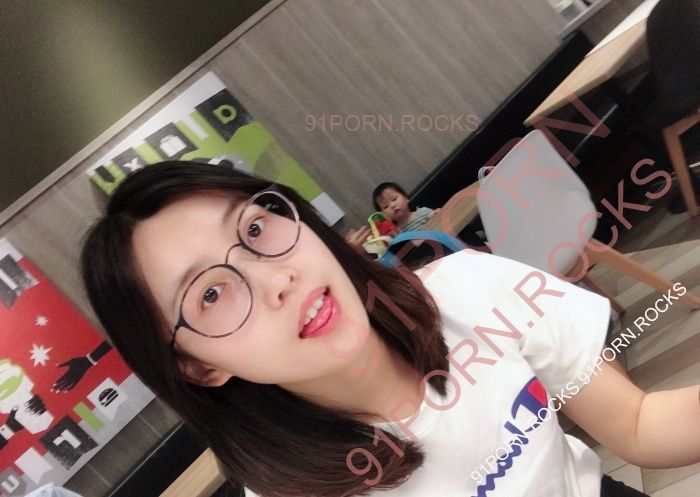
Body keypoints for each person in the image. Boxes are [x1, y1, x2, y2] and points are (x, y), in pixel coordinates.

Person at [80, 161, 700, 497]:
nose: (275, 278)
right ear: (199, 366)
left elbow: (637, 423)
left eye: (255, 228)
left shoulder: (467, 291)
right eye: (210, 294)